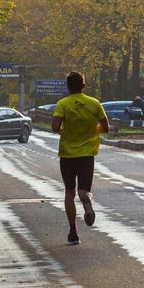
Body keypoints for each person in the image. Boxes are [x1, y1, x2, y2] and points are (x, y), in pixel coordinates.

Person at [52, 71, 109, 245]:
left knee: (69, 193)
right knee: (83, 190)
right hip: (87, 154)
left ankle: (73, 232)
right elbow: (106, 127)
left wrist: (66, 130)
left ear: (68, 86)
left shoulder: (63, 104)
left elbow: (55, 127)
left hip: (68, 154)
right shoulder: (94, 103)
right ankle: (87, 200)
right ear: (83, 85)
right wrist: (92, 130)